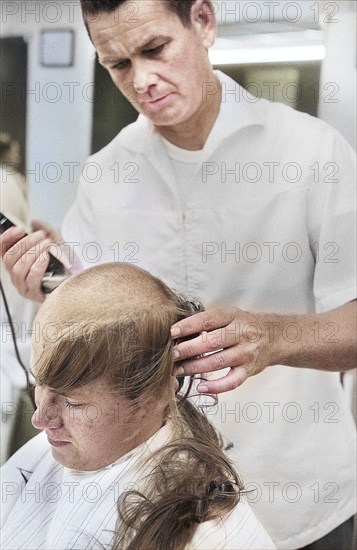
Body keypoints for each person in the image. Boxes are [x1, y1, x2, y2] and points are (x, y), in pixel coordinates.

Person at [0, 1, 356, 548]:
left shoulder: (312, 153)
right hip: (164, 509)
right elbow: (97, 313)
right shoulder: (106, 176)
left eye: (154, 49)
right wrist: (48, 288)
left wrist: (275, 336)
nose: (142, 80)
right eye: (117, 64)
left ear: (204, 22)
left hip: (301, 495)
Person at [0, 262, 275, 550]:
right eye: (39, 382)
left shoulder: (207, 538)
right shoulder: (52, 449)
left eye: (74, 402)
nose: (40, 419)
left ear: (148, 399)